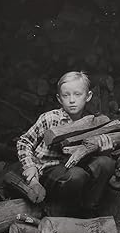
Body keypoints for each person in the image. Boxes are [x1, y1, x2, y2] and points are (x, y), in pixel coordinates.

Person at [16, 71, 115, 217]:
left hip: (76, 166)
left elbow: (90, 149)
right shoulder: (49, 118)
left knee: (106, 163)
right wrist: (30, 166)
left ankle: (88, 209)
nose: (72, 100)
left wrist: (104, 150)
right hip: (50, 171)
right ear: (59, 98)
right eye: (66, 95)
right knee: (77, 175)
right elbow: (24, 141)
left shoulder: (93, 121)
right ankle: (58, 210)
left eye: (77, 94)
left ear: (88, 97)